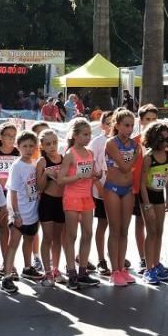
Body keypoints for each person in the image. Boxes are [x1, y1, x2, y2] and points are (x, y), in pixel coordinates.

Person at [58, 117, 100, 290]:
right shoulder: (70, 154)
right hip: (72, 197)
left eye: (89, 134)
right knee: (72, 235)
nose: (88, 137)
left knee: (88, 233)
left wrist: (94, 175)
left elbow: (91, 172)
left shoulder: (89, 153)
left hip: (87, 197)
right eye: (84, 134)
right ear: (75, 135)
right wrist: (78, 176)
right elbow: (61, 179)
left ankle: (83, 271)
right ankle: (71, 271)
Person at [1, 131, 42, 294]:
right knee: (13, 244)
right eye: (25, 146)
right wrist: (16, 214)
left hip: (33, 212)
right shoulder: (17, 166)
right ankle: (7, 276)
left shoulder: (34, 163)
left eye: (31, 145)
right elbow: (13, 192)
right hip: (20, 213)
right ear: (18, 147)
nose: (28, 149)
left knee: (29, 240)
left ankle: (28, 267)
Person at [103, 108, 139, 286]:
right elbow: (125, 167)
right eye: (126, 125)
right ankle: (114, 270)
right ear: (116, 125)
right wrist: (137, 155)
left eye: (132, 125)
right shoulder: (111, 143)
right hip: (112, 188)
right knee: (114, 230)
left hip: (128, 188)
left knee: (125, 230)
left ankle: (122, 268)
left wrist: (136, 152)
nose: (129, 129)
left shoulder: (133, 144)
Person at [138, 123, 168, 285]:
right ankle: (148, 268)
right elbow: (141, 184)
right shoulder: (148, 157)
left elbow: (167, 177)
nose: (166, 142)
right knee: (151, 232)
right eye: (162, 138)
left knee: (159, 231)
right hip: (148, 196)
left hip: (159, 195)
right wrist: (147, 205)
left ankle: (156, 263)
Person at [0, 122, 20, 272]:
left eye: (14, 136)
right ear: (1, 137)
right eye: (8, 136)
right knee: (3, 229)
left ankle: (10, 262)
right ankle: (5, 262)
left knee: (14, 229)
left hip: (14, 195)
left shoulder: (18, 153)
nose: (12, 139)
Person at [131, 104, 159, 274]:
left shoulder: (160, 143)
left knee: (154, 225)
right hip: (136, 188)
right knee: (140, 222)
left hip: (154, 188)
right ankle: (143, 258)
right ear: (140, 121)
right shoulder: (134, 142)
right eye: (147, 119)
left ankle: (153, 260)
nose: (151, 122)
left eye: (154, 119)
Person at [36, 129, 65, 287]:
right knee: (47, 237)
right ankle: (47, 272)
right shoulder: (42, 161)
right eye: (48, 144)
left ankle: (56, 269)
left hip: (62, 202)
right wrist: (46, 174)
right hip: (47, 202)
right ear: (42, 145)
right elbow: (39, 187)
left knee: (57, 239)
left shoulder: (64, 158)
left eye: (54, 142)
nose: (52, 146)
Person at [88, 110, 113, 276]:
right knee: (102, 224)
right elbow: (89, 166)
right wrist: (98, 185)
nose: (112, 125)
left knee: (118, 226)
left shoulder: (123, 142)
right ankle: (101, 259)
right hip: (101, 191)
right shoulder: (96, 143)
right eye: (109, 122)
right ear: (102, 125)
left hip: (119, 190)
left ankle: (116, 256)